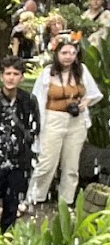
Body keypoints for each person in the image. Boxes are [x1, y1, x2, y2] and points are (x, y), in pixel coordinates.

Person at [28, 34, 104, 207]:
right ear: (57, 54)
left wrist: (85, 102)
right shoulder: (48, 73)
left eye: (72, 53)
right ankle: (35, 197)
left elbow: (94, 93)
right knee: (47, 163)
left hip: (75, 122)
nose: (68, 56)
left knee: (71, 165)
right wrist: (37, 124)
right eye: (64, 53)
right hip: (53, 120)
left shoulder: (82, 71)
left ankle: (66, 201)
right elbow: (37, 99)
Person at [0, 56, 41, 230]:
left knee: (11, 208)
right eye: (8, 73)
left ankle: (7, 241)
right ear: (1, 76)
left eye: (16, 74)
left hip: (18, 165)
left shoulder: (29, 101)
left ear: (22, 77)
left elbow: (34, 128)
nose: (11, 77)